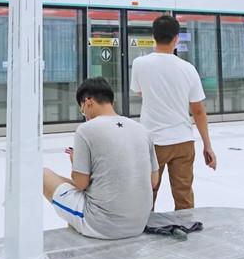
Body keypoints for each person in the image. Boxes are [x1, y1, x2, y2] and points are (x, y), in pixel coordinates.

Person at [43, 77, 159, 240]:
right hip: (139, 223)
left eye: (82, 110)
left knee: (43, 175)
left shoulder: (86, 130)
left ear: (88, 102)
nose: (84, 115)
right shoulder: (142, 130)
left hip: (103, 225)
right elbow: (153, 181)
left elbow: (81, 184)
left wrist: (75, 161)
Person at [130, 13, 217, 212]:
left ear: (153, 37)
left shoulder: (140, 64)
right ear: (176, 38)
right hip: (183, 141)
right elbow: (198, 111)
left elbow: (140, 92)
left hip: (153, 141)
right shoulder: (188, 69)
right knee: (184, 195)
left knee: (148, 193)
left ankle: (143, 226)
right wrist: (207, 145)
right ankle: (186, 227)